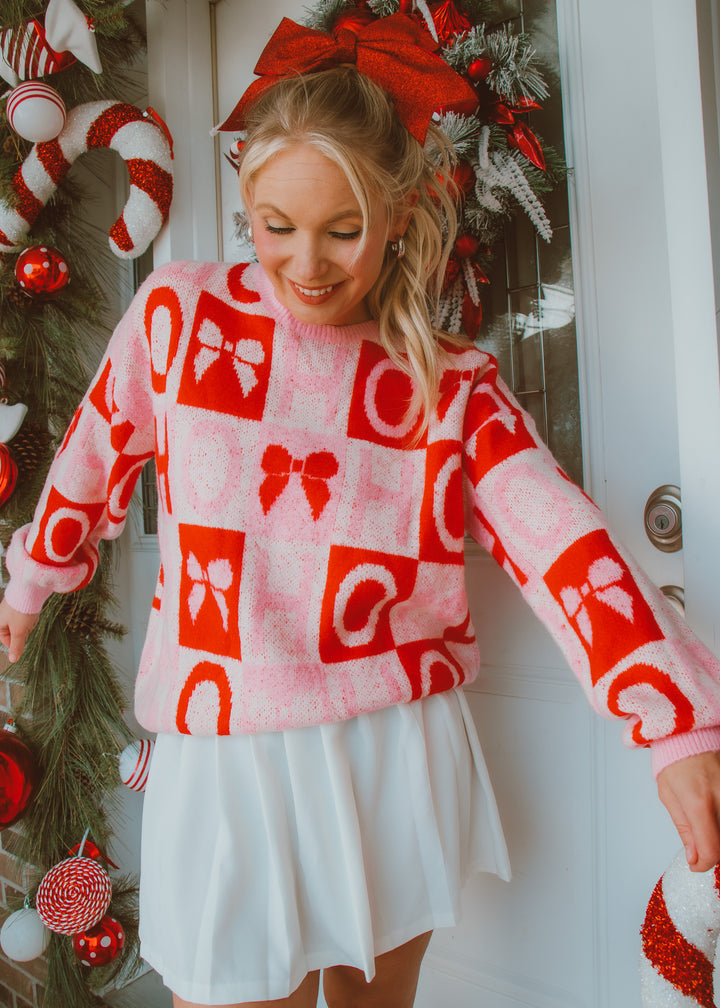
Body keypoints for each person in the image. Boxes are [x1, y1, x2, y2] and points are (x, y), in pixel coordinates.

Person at [2, 13, 720, 1008]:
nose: (307, 263)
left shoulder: (448, 381)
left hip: (394, 747)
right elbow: (92, 454)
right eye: (277, 227)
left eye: (342, 230)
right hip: (232, 753)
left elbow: (563, 540)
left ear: (397, 215)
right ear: (246, 202)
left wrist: (679, 727)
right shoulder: (179, 321)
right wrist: (32, 579)